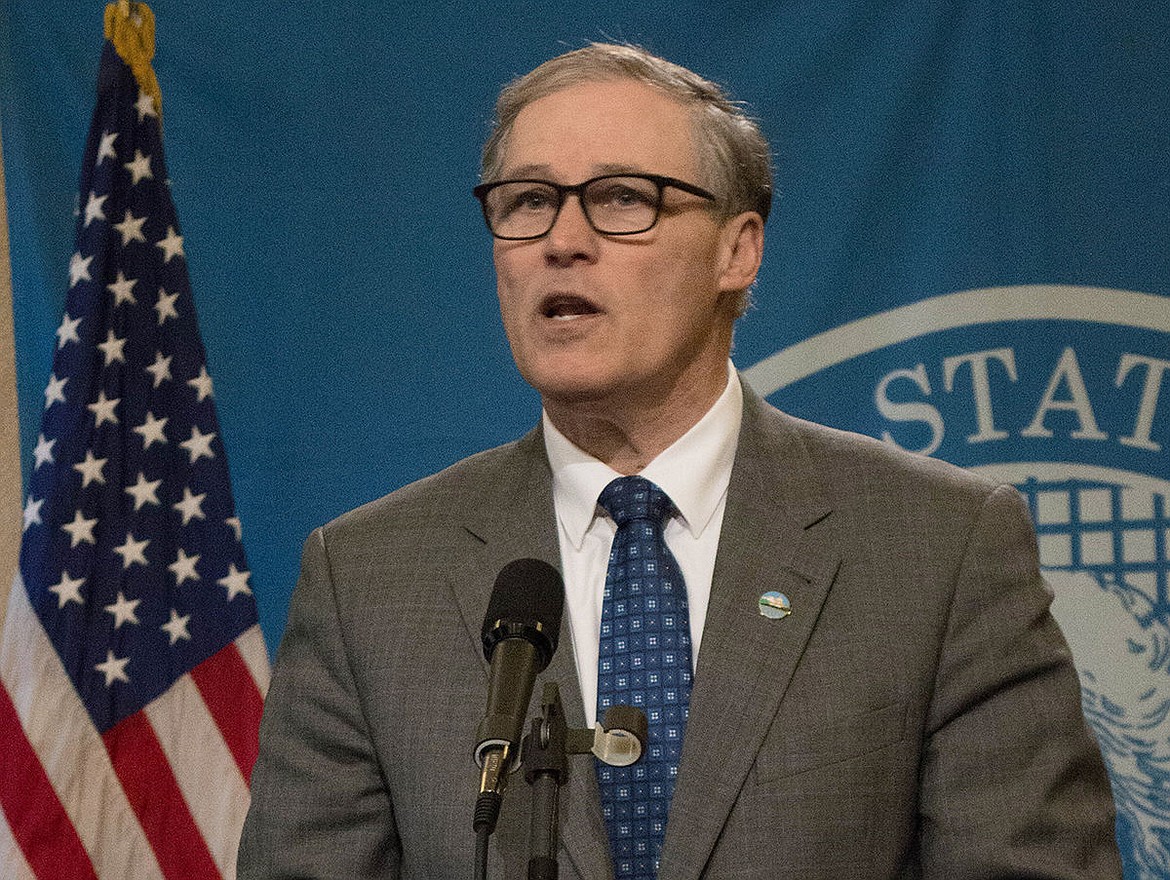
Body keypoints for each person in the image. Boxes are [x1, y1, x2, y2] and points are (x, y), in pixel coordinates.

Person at [238, 43, 1121, 880]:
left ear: (738, 250)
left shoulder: (940, 548)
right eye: (527, 201)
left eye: (622, 198)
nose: (562, 239)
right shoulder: (368, 579)